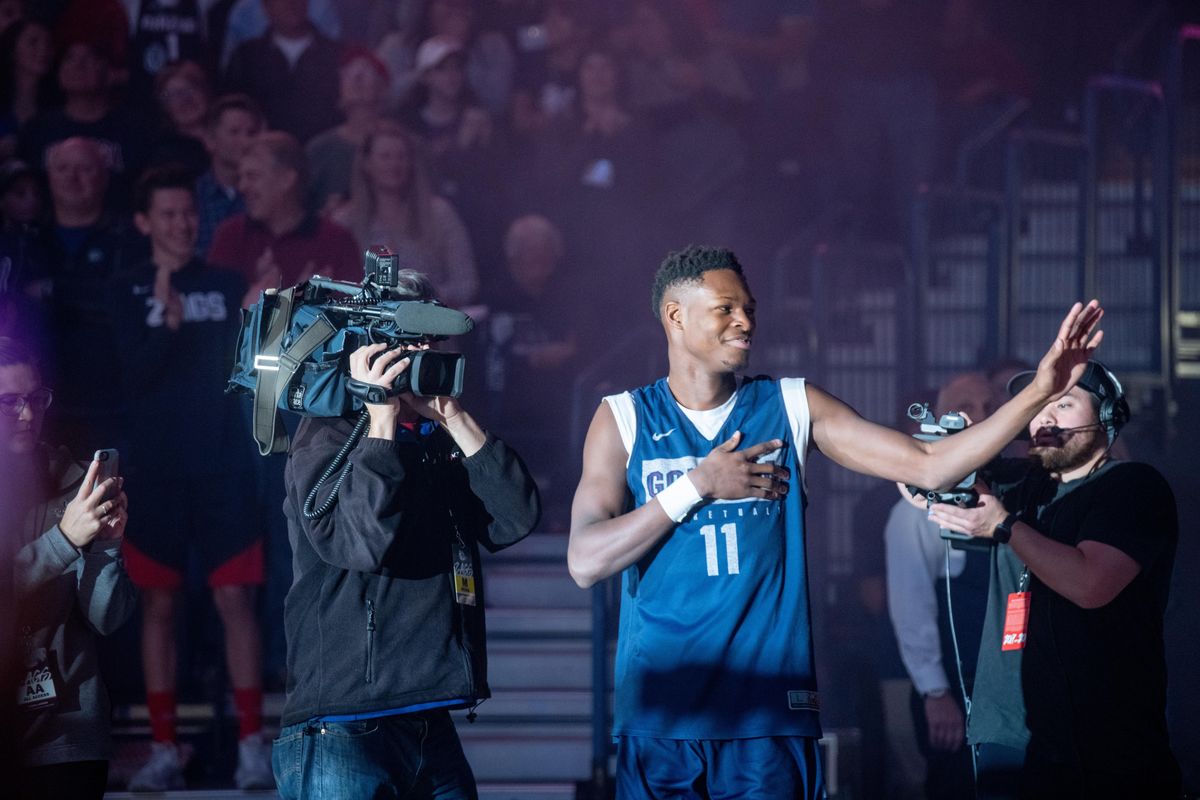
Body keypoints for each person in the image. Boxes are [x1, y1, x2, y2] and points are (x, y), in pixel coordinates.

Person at [566, 244, 1102, 798]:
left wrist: (1041, 389)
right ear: (675, 316)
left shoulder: (791, 404)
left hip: (767, 715)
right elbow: (585, 561)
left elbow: (930, 464)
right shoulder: (623, 417)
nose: (746, 321)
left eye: (749, 307)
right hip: (662, 714)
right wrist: (698, 485)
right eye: (726, 308)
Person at [272, 269, 541, 799]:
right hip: (343, 725)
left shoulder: (438, 436)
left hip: (428, 720)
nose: (418, 352)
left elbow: (515, 518)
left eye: (428, 340)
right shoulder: (325, 434)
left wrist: (454, 417)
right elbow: (359, 542)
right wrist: (379, 423)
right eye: (404, 339)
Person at [926, 360, 1181, 799]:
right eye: (1039, 405)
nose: (1045, 417)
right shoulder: (1022, 483)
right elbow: (916, 478)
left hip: (1106, 743)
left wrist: (1004, 526)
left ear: (1106, 417)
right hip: (1007, 734)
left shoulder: (1132, 486)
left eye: (1063, 404)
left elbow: (1090, 585)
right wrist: (962, 444)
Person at [116, 166, 270, 791]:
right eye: (169, 215)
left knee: (237, 601)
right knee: (158, 605)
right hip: (155, 473)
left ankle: (252, 748)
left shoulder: (227, 282)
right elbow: (128, 375)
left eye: (189, 213)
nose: (182, 224)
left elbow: (255, 364)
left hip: (224, 467)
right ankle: (161, 750)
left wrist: (263, 312)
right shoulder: (124, 289)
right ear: (144, 222)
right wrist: (166, 326)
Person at [5, 336, 137, 800]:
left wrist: (106, 548)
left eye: (36, 399)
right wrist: (64, 540)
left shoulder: (74, 482)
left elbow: (106, 618)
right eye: (9, 402)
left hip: (69, 737)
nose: (26, 414)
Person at [885, 371, 995, 800]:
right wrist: (935, 692)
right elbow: (910, 607)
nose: (980, 417)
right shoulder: (917, 509)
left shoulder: (1010, 491)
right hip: (954, 687)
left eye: (989, 407)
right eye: (966, 407)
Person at [31, 137, 142, 458]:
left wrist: (53, 291)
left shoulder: (127, 237)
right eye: (63, 168)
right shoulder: (30, 236)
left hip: (109, 405)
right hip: (44, 402)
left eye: (84, 168)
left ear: (104, 176)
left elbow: (121, 305)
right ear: (48, 175)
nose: (72, 177)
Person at [332, 120, 477, 307]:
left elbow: (467, 284)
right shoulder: (345, 221)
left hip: (430, 326)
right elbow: (334, 290)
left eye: (401, 156)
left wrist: (423, 294)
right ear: (367, 164)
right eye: (385, 157)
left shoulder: (440, 214)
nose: (394, 164)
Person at [208, 130, 359, 302]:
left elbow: (356, 318)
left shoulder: (336, 241)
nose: (242, 187)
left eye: (252, 176)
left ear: (286, 179)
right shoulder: (231, 236)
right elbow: (216, 319)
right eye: (240, 177)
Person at [221, 0, 342, 144]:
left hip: (323, 159)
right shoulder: (246, 57)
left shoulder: (337, 55)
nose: (290, 3)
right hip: (262, 157)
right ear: (266, 6)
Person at [192, 93, 263, 256]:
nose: (246, 142)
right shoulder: (194, 197)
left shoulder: (269, 195)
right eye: (234, 132)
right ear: (210, 139)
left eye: (251, 133)